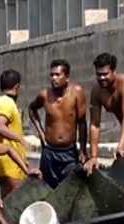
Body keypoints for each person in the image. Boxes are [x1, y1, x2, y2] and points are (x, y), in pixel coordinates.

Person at [29, 59, 88, 189]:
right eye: (52, 75)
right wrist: (40, 133)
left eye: (57, 75)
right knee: (47, 189)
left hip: (69, 152)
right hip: (49, 151)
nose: (54, 78)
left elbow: (82, 123)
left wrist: (83, 150)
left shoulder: (76, 93)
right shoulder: (44, 95)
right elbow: (31, 109)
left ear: (66, 77)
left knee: (71, 188)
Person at [0, 69, 30, 197]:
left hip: (6, 163)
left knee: (9, 199)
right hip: (8, 165)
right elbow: (0, 126)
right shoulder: (7, 103)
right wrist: (20, 139)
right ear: (17, 87)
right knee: (14, 202)